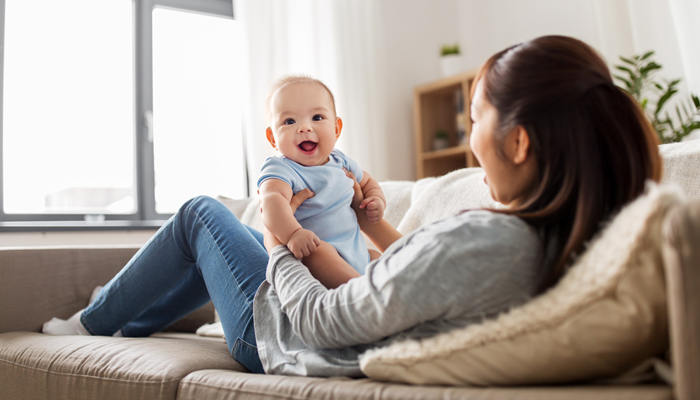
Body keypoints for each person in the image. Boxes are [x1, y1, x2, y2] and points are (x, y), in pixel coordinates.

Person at [42, 35, 662, 377]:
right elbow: (422, 275)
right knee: (207, 235)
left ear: (519, 141)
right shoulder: (549, 231)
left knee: (201, 213)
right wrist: (374, 226)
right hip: (327, 294)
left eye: (474, 119)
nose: (470, 141)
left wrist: (281, 246)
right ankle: (130, 323)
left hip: (282, 336)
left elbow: (323, 322)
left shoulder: (492, 244)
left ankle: (93, 325)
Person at [258, 76, 385, 283]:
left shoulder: (340, 161)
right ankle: (362, 294)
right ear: (273, 138)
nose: (305, 127)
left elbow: (368, 182)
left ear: (336, 129)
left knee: (377, 258)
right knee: (319, 252)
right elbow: (271, 203)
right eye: (289, 121)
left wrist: (376, 199)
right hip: (315, 254)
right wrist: (293, 234)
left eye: (317, 117)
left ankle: (375, 288)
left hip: (357, 254)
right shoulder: (281, 168)